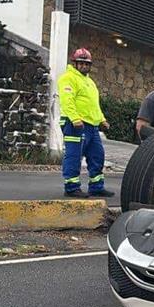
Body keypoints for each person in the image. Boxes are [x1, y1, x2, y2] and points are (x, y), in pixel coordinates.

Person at [58, 48, 114, 198]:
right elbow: (67, 100)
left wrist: (102, 119)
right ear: (75, 64)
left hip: (91, 126)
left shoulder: (90, 82)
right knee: (74, 155)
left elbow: (94, 105)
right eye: (81, 63)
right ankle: (71, 187)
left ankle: (96, 187)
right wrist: (75, 119)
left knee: (97, 155)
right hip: (74, 124)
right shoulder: (68, 78)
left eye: (86, 63)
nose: (83, 66)